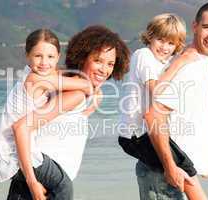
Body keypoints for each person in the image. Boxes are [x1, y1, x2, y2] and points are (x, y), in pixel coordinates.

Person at [7, 25, 130, 200]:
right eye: (97, 60)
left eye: (110, 63)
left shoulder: (74, 86)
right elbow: (22, 126)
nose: (104, 69)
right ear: (83, 57)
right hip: (47, 180)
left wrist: (94, 97)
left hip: (41, 172)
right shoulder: (76, 92)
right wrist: (32, 180)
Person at [118, 11, 208, 200]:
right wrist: (179, 62)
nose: (164, 47)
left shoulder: (163, 60)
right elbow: (158, 91)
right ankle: (202, 174)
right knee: (185, 170)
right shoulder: (143, 56)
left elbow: (193, 49)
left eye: (170, 43)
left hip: (146, 133)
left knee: (185, 162)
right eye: (160, 40)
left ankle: (203, 165)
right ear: (149, 37)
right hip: (135, 137)